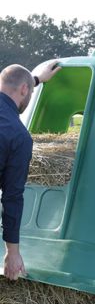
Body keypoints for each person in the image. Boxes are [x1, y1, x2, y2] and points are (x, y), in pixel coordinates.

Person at [0, 60, 61, 281]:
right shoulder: (18, 136)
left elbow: (14, 84)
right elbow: (12, 196)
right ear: (25, 90)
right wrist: (12, 252)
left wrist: (35, 79)